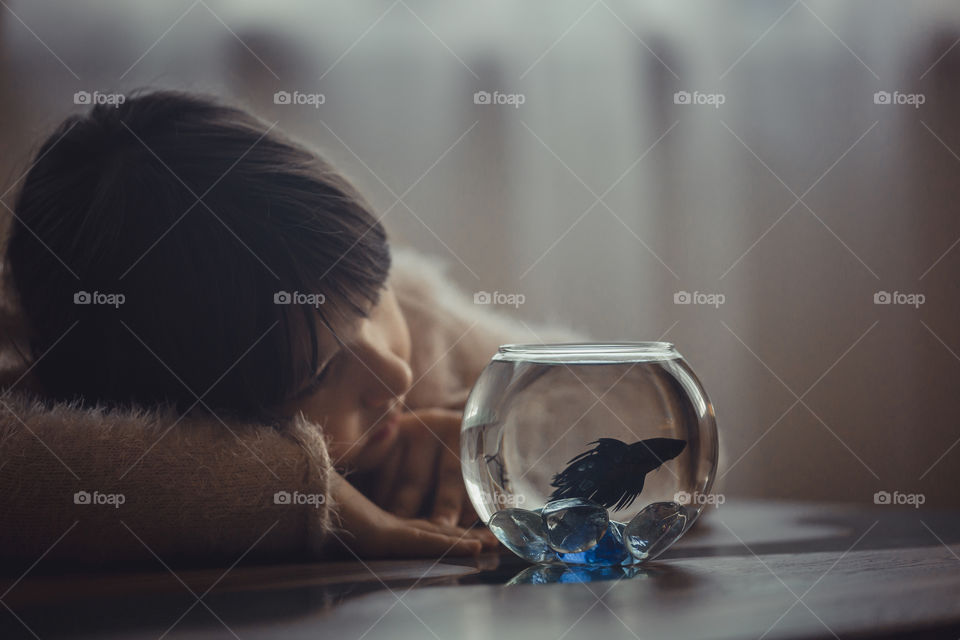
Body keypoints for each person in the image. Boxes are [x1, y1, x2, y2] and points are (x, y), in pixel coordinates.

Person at [0, 91, 573, 568]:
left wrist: (501, 440)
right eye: (319, 373)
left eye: (375, 303)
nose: (394, 371)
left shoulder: (373, 293)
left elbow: (625, 396)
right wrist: (305, 491)